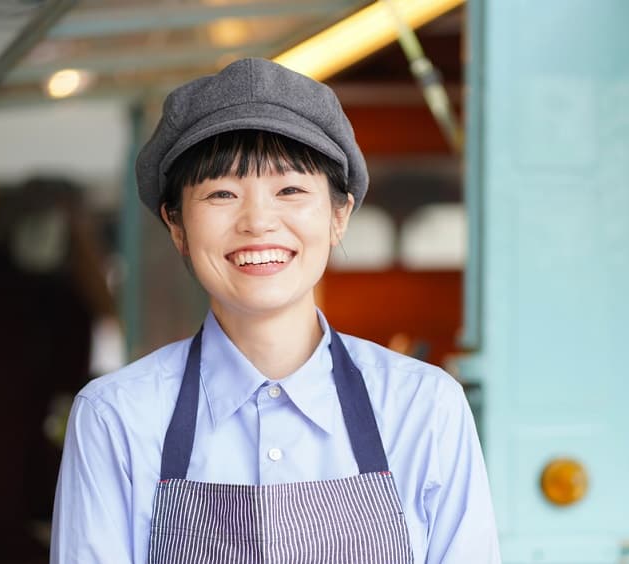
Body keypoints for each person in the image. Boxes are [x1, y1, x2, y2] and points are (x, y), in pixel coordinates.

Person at [50, 58, 500, 563]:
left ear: (339, 215)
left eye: (290, 190)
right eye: (222, 193)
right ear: (176, 225)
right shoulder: (116, 417)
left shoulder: (425, 407)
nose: (258, 222)